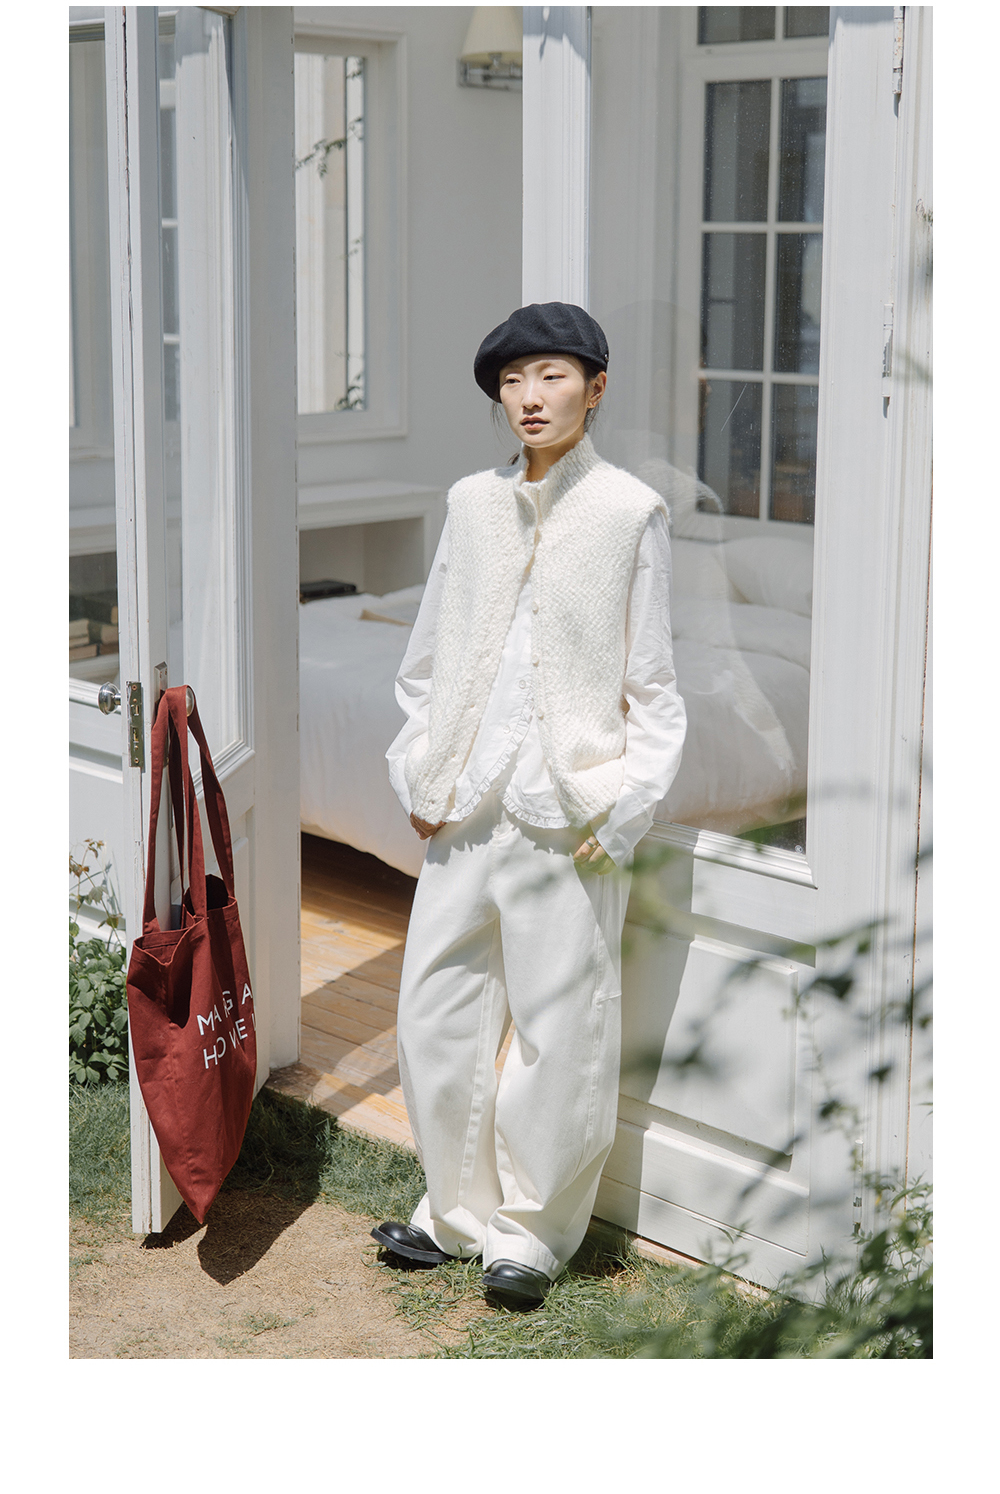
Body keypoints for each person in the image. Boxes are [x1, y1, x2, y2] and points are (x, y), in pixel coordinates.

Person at [374, 302, 687, 1310]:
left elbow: (654, 686)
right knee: (434, 1011)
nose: (529, 397)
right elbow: (425, 660)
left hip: (569, 816)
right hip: (465, 804)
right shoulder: (470, 504)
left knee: (561, 1029)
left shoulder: (630, 512)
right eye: (511, 381)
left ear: (596, 388)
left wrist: (623, 809)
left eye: (550, 375)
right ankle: (452, 1212)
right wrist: (417, 770)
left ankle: (531, 1234)